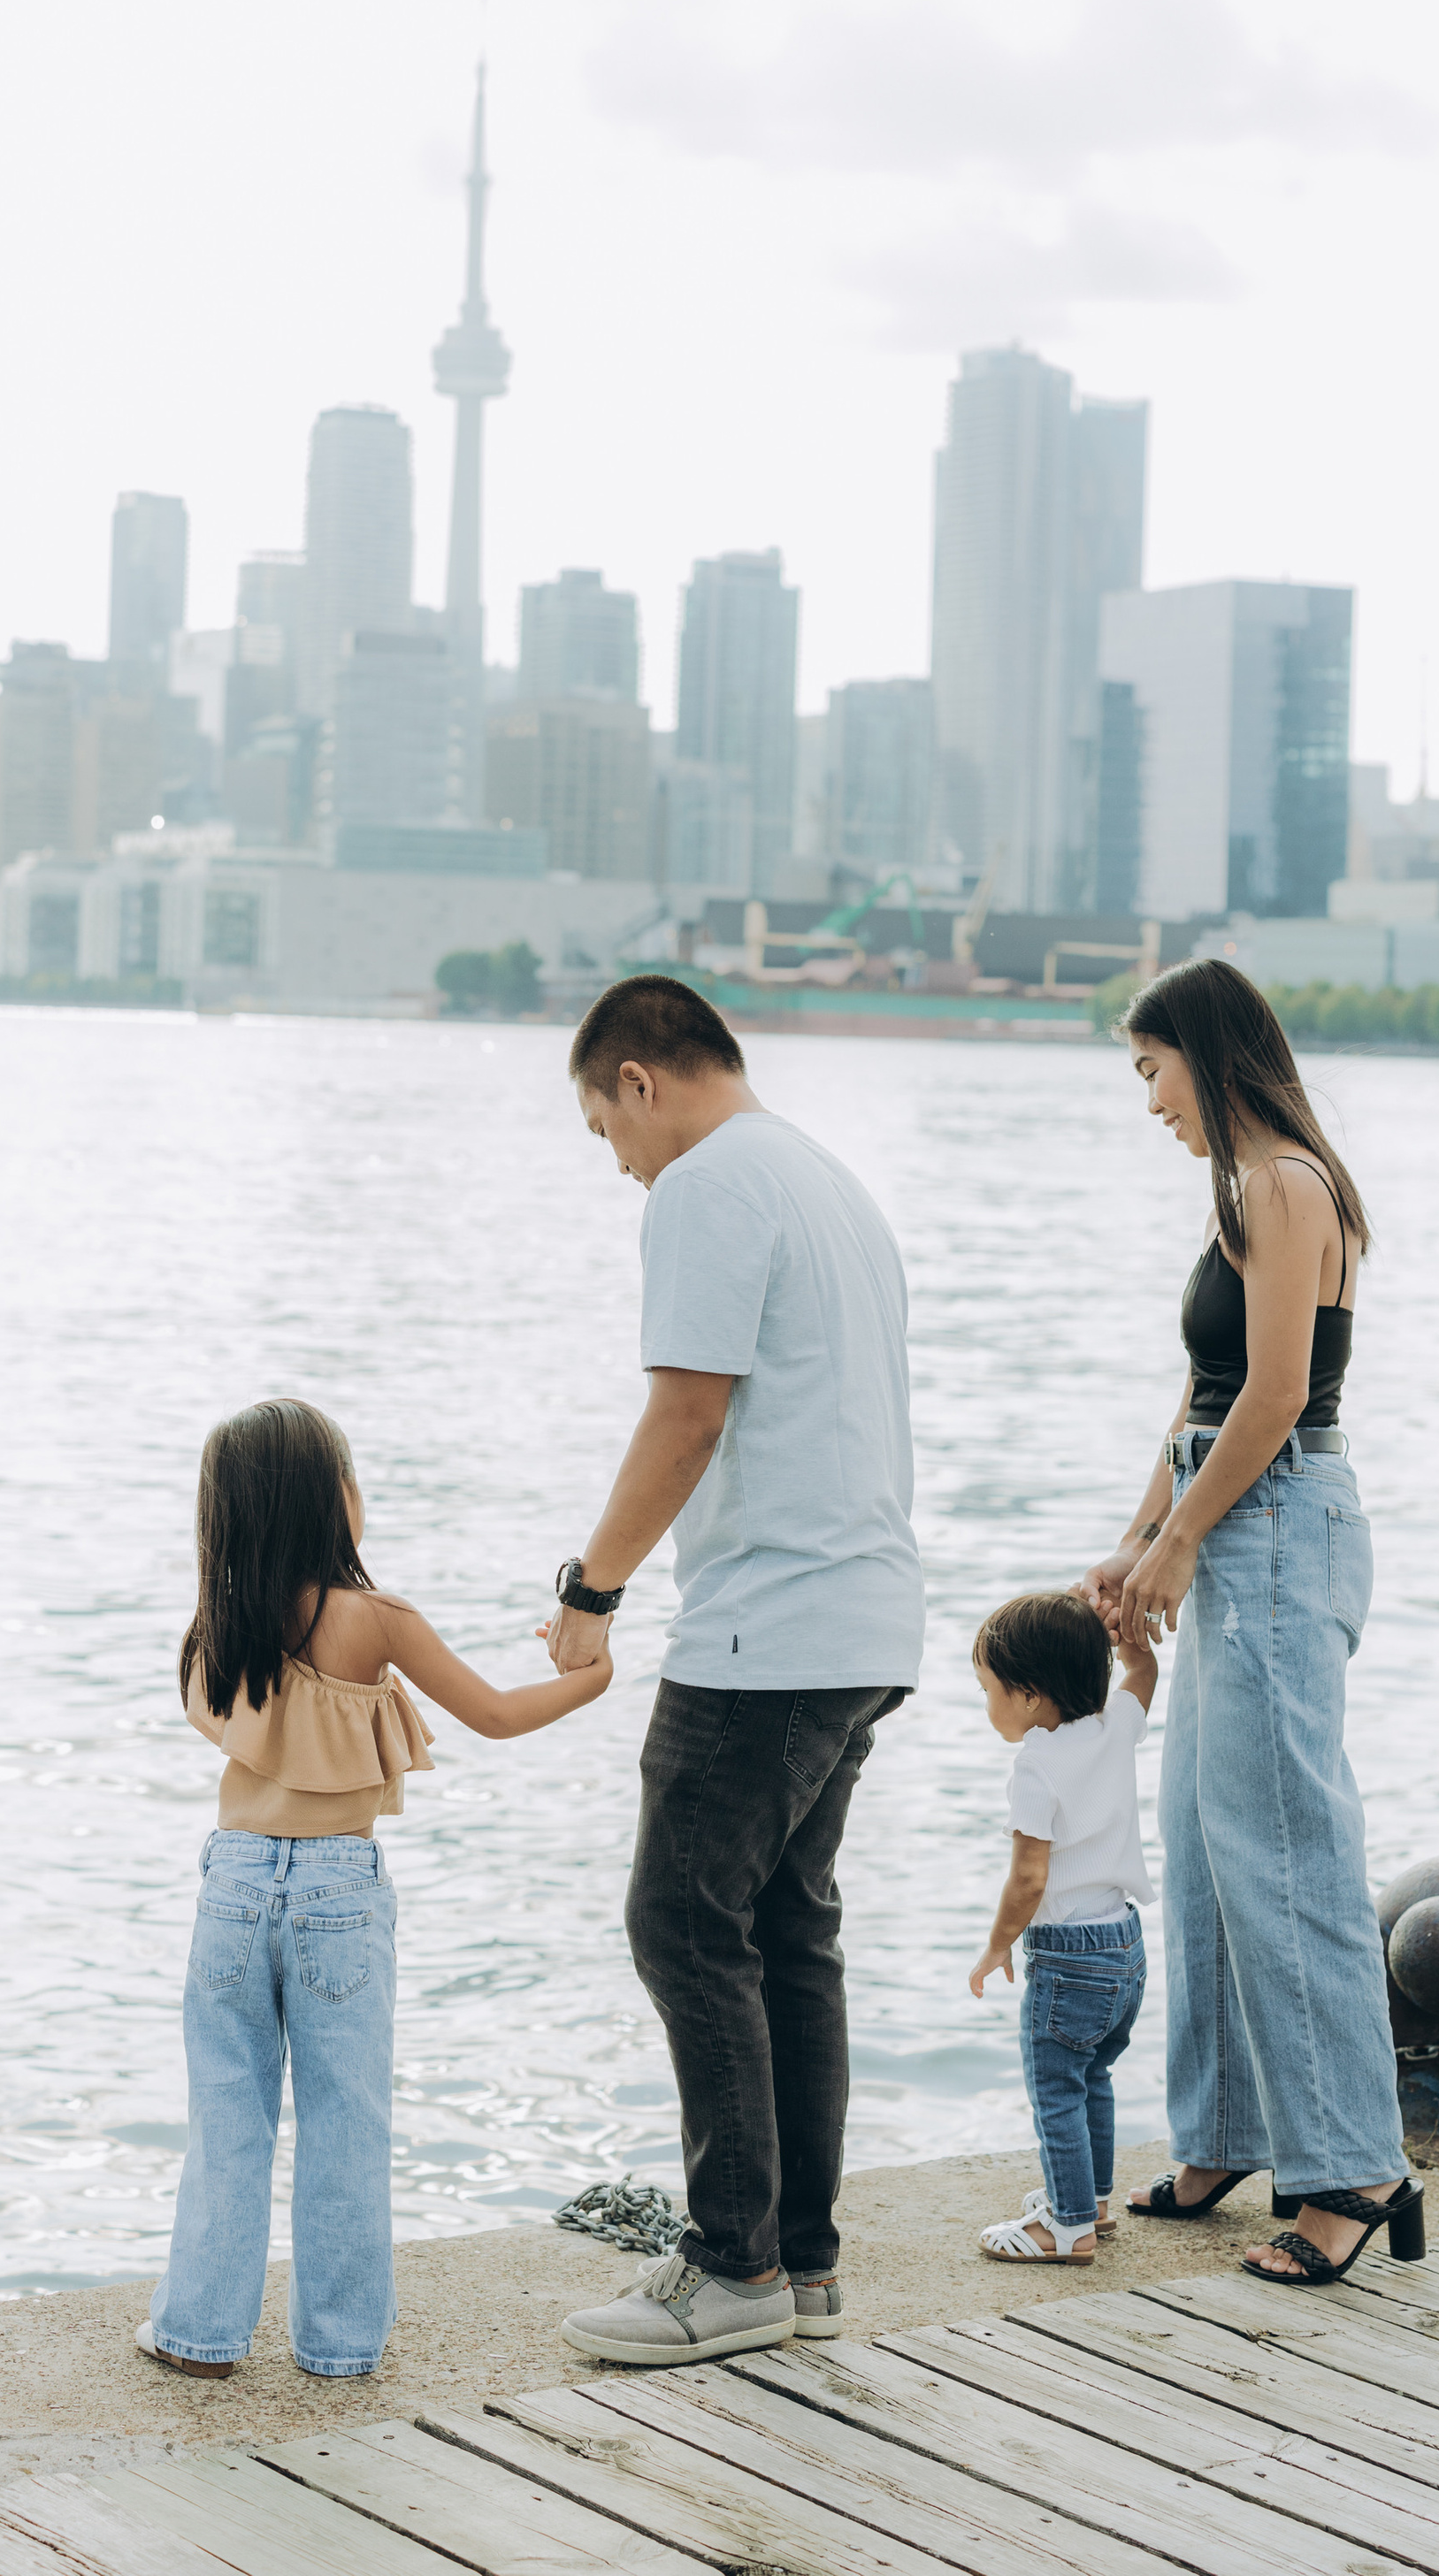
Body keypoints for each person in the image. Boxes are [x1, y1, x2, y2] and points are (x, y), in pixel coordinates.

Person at [547, 974, 924, 2369]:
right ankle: (801, 2263)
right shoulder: (832, 1184)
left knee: (681, 1921)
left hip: (770, 1631)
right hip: (867, 1619)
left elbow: (689, 1411)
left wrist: (592, 1588)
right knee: (786, 1932)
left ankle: (734, 2264)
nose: (618, 1161)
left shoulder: (704, 1184)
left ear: (642, 1080)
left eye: (606, 1129)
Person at [142, 1397, 610, 2381]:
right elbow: (495, 1714)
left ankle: (198, 2334)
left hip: (229, 1882)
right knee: (346, 2121)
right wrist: (592, 1674)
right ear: (336, 1501)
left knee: (225, 2116)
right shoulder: (374, 1618)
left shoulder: (214, 1624)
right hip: (336, 1893)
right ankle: (340, 2344)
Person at [1079, 958, 1423, 2289]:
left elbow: (1276, 1396)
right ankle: (1224, 2132)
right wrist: (1135, 1540)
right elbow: (1202, 1392)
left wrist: (1178, 1541)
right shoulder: (1240, 1195)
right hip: (1234, 1522)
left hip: (1278, 1523)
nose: (1148, 1100)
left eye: (1151, 1069)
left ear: (1208, 1058)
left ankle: (1351, 2167)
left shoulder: (1287, 1187)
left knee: (1286, 1845)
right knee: (1206, 1840)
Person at [967, 1590, 1156, 2262]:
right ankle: (1092, 2200)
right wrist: (1128, 1636)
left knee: (1056, 2089)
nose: (986, 1704)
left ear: (1028, 1695)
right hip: (1126, 1946)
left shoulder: (1036, 1767)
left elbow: (1028, 1879)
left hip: (1071, 1955)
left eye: (988, 1689)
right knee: (1093, 2075)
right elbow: (1143, 1676)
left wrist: (997, 1945)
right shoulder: (1113, 1728)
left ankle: (1066, 2228)